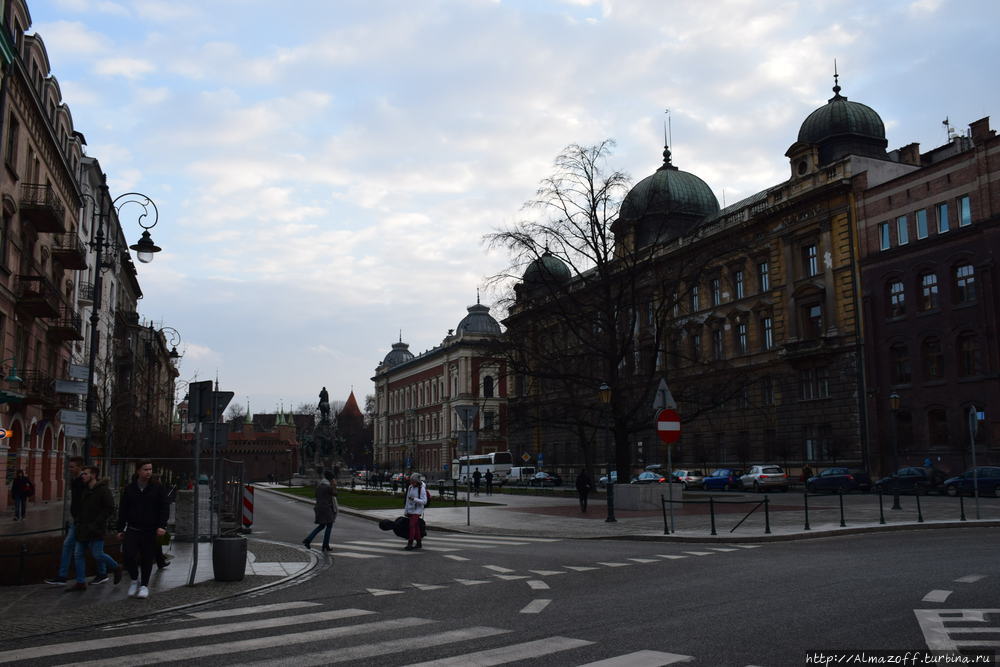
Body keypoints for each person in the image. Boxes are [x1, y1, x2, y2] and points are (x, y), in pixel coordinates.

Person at [116, 461, 169, 600]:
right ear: (138, 471)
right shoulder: (130, 489)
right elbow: (123, 509)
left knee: (147, 557)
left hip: (150, 529)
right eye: (145, 469)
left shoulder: (157, 488)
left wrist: (162, 526)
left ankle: (144, 585)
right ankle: (134, 579)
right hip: (133, 527)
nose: (148, 472)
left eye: (150, 469)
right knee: (128, 555)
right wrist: (120, 528)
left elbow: (164, 507)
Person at [67, 466, 122, 591]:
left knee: (97, 554)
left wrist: (97, 523)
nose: (83, 476)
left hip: (95, 528)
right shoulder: (86, 489)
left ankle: (116, 567)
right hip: (82, 527)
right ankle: (80, 582)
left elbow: (109, 508)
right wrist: (78, 520)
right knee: (78, 554)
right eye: (83, 474)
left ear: (94, 475)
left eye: (86, 474)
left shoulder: (103, 490)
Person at [45, 457, 86, 585]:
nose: (69, 469)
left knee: (94, 550)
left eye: (72, 467)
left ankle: (105, 570)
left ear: (79, 467)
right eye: (69, 467)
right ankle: (63, 576)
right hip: (76, 520)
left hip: (83, 520)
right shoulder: (75, 480)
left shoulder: (82, 481)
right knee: (70, 546)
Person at [302, 471, 337, 552]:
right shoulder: (328, 487)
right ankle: (325, 545)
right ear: (330, 479)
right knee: (329, 526)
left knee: (321, 526)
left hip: (318, 508)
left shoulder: (319, 486)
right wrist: (334, 485)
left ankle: (308, 540)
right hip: (326, 509)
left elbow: (316, 495)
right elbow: (335, 493)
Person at [403, 474, 427, 550]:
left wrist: (414, 499)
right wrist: (406, 510)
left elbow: (424, 501)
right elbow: (407, 500)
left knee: (412, 525)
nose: (412, 483)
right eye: (411, 481)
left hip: (417, 510)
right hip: (410, 509)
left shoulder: (421, 489)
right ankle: (419, 543)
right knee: (416, 527)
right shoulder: (410, 487)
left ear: (417, 481)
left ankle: (410, 544)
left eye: (413, 481)